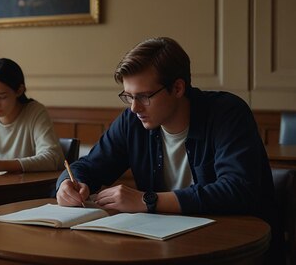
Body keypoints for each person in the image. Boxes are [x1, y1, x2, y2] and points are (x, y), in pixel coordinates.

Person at [56, 37, 282, 262]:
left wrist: (148, 200)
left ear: (177, 88)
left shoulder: (227, 113)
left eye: (144, 96)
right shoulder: (132, 121)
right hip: (164, 246)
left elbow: (238, 191)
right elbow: (88, 166)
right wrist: (68, 183)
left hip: (234, 248)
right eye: (128, 97)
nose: (134, 108)